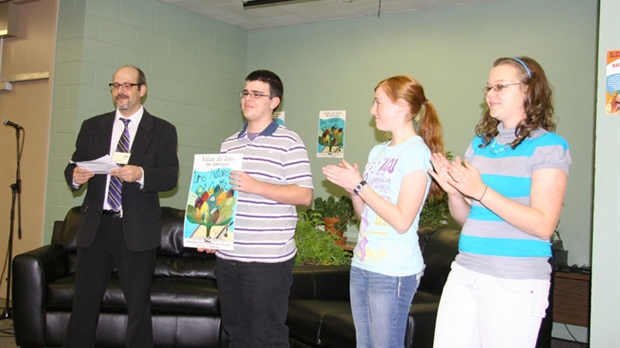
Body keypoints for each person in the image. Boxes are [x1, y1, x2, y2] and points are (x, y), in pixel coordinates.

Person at [429, 57, 571, 348]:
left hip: (514, 281)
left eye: (500, 86)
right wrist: (454, 192)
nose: (490, 93)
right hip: (465, 272)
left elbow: (544, 225)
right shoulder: (479, 145)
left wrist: (481, 191)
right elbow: (467, 218)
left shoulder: (549, 147)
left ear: (529, 91)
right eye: (488, 87)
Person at [322, 75, 444, 347]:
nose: (372, 110)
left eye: (378, 102)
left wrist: (360, 185)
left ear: (401, 106)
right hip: (363, 264)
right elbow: (365, 213)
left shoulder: (416, 153)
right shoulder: (378, 151)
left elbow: (401, 220)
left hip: (393, 270)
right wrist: (354, 188)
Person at [63, 65, 179, 348]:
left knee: (138, 305)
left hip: (136, 229)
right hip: (96, 227)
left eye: (128, 86)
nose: (120, 91)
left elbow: (169, 177)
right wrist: (74, 177)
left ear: (142, 90)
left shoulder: (162, 130)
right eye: (115, 86)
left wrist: (140, 174)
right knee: (84, 302)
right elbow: (73, 164)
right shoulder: (93, 126)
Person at [203, 70, 313, 347]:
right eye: (245, 93)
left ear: (274, 102)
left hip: (268, 261)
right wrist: (209, 234)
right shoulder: (229, 144)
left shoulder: (290, 142)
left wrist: (256, 186)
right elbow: (220, 198)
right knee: (235, 332)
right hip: (228, 258)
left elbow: (304, 195)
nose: (248, 98)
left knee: (267, 336)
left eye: (257, 94)